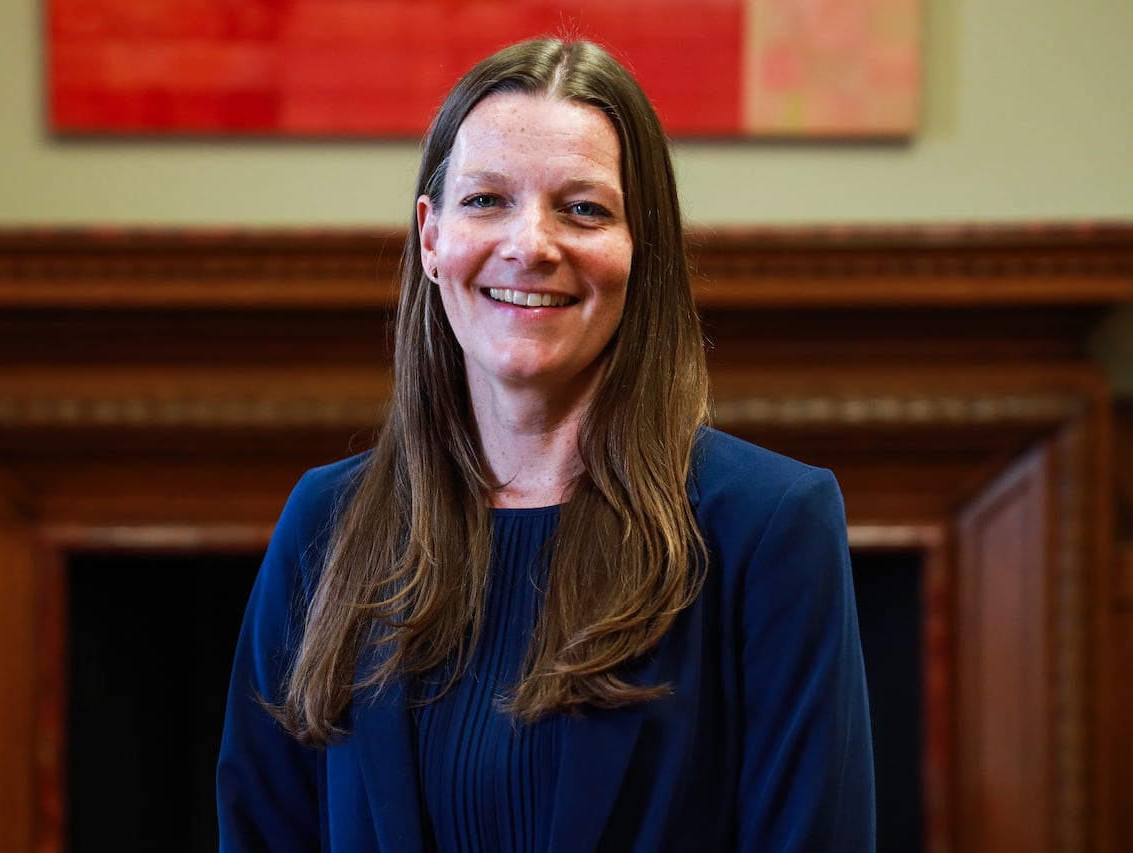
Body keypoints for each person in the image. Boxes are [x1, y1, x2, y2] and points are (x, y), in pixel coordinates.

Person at [217, 37, 875, 852]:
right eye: (487, 199)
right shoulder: (327, 520)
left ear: (645, 249)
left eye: (585, 208)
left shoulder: (771, 528)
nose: (531, 244)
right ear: (431, 237)